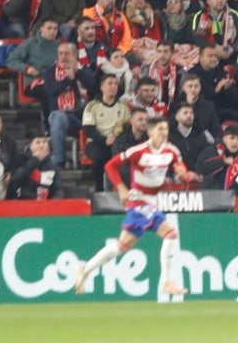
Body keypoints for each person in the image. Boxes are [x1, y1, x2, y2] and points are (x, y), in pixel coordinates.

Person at [74, 119, 193, 299]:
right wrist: (121, 188)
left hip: (153, 201)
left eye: (166, 129)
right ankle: (166, 281)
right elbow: (110, 166)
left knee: (122, 246)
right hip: (139, 201)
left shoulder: (172, 151)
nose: (164, 132)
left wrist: (183, 174)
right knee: (170, 234)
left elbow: (180, 166)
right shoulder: (138, 151)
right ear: (150, 132)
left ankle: (86, 268)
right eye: (160, 129)